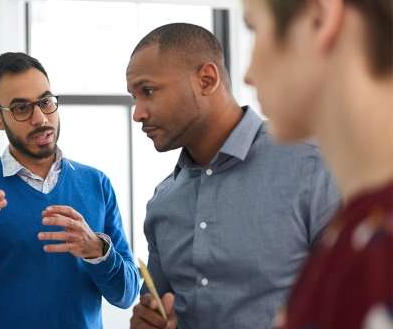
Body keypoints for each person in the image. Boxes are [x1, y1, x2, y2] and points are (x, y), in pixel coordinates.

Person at [126, 23, 341, 329]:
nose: (138, 113)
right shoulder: (163, 203)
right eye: (134, 97)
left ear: (207, 79)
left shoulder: (314, 165)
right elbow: (160, 306)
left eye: (147, 91)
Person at [0, 52, 139, 328]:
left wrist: (96, 250)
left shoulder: (97, 183)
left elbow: (126, 295)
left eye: (46, 102)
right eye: (21, 108)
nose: (40, 118)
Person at [241, 0, 393, 328]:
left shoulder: (376, 247)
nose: (248, 72)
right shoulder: (355, 227)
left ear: (319, 16)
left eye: (254, 28)